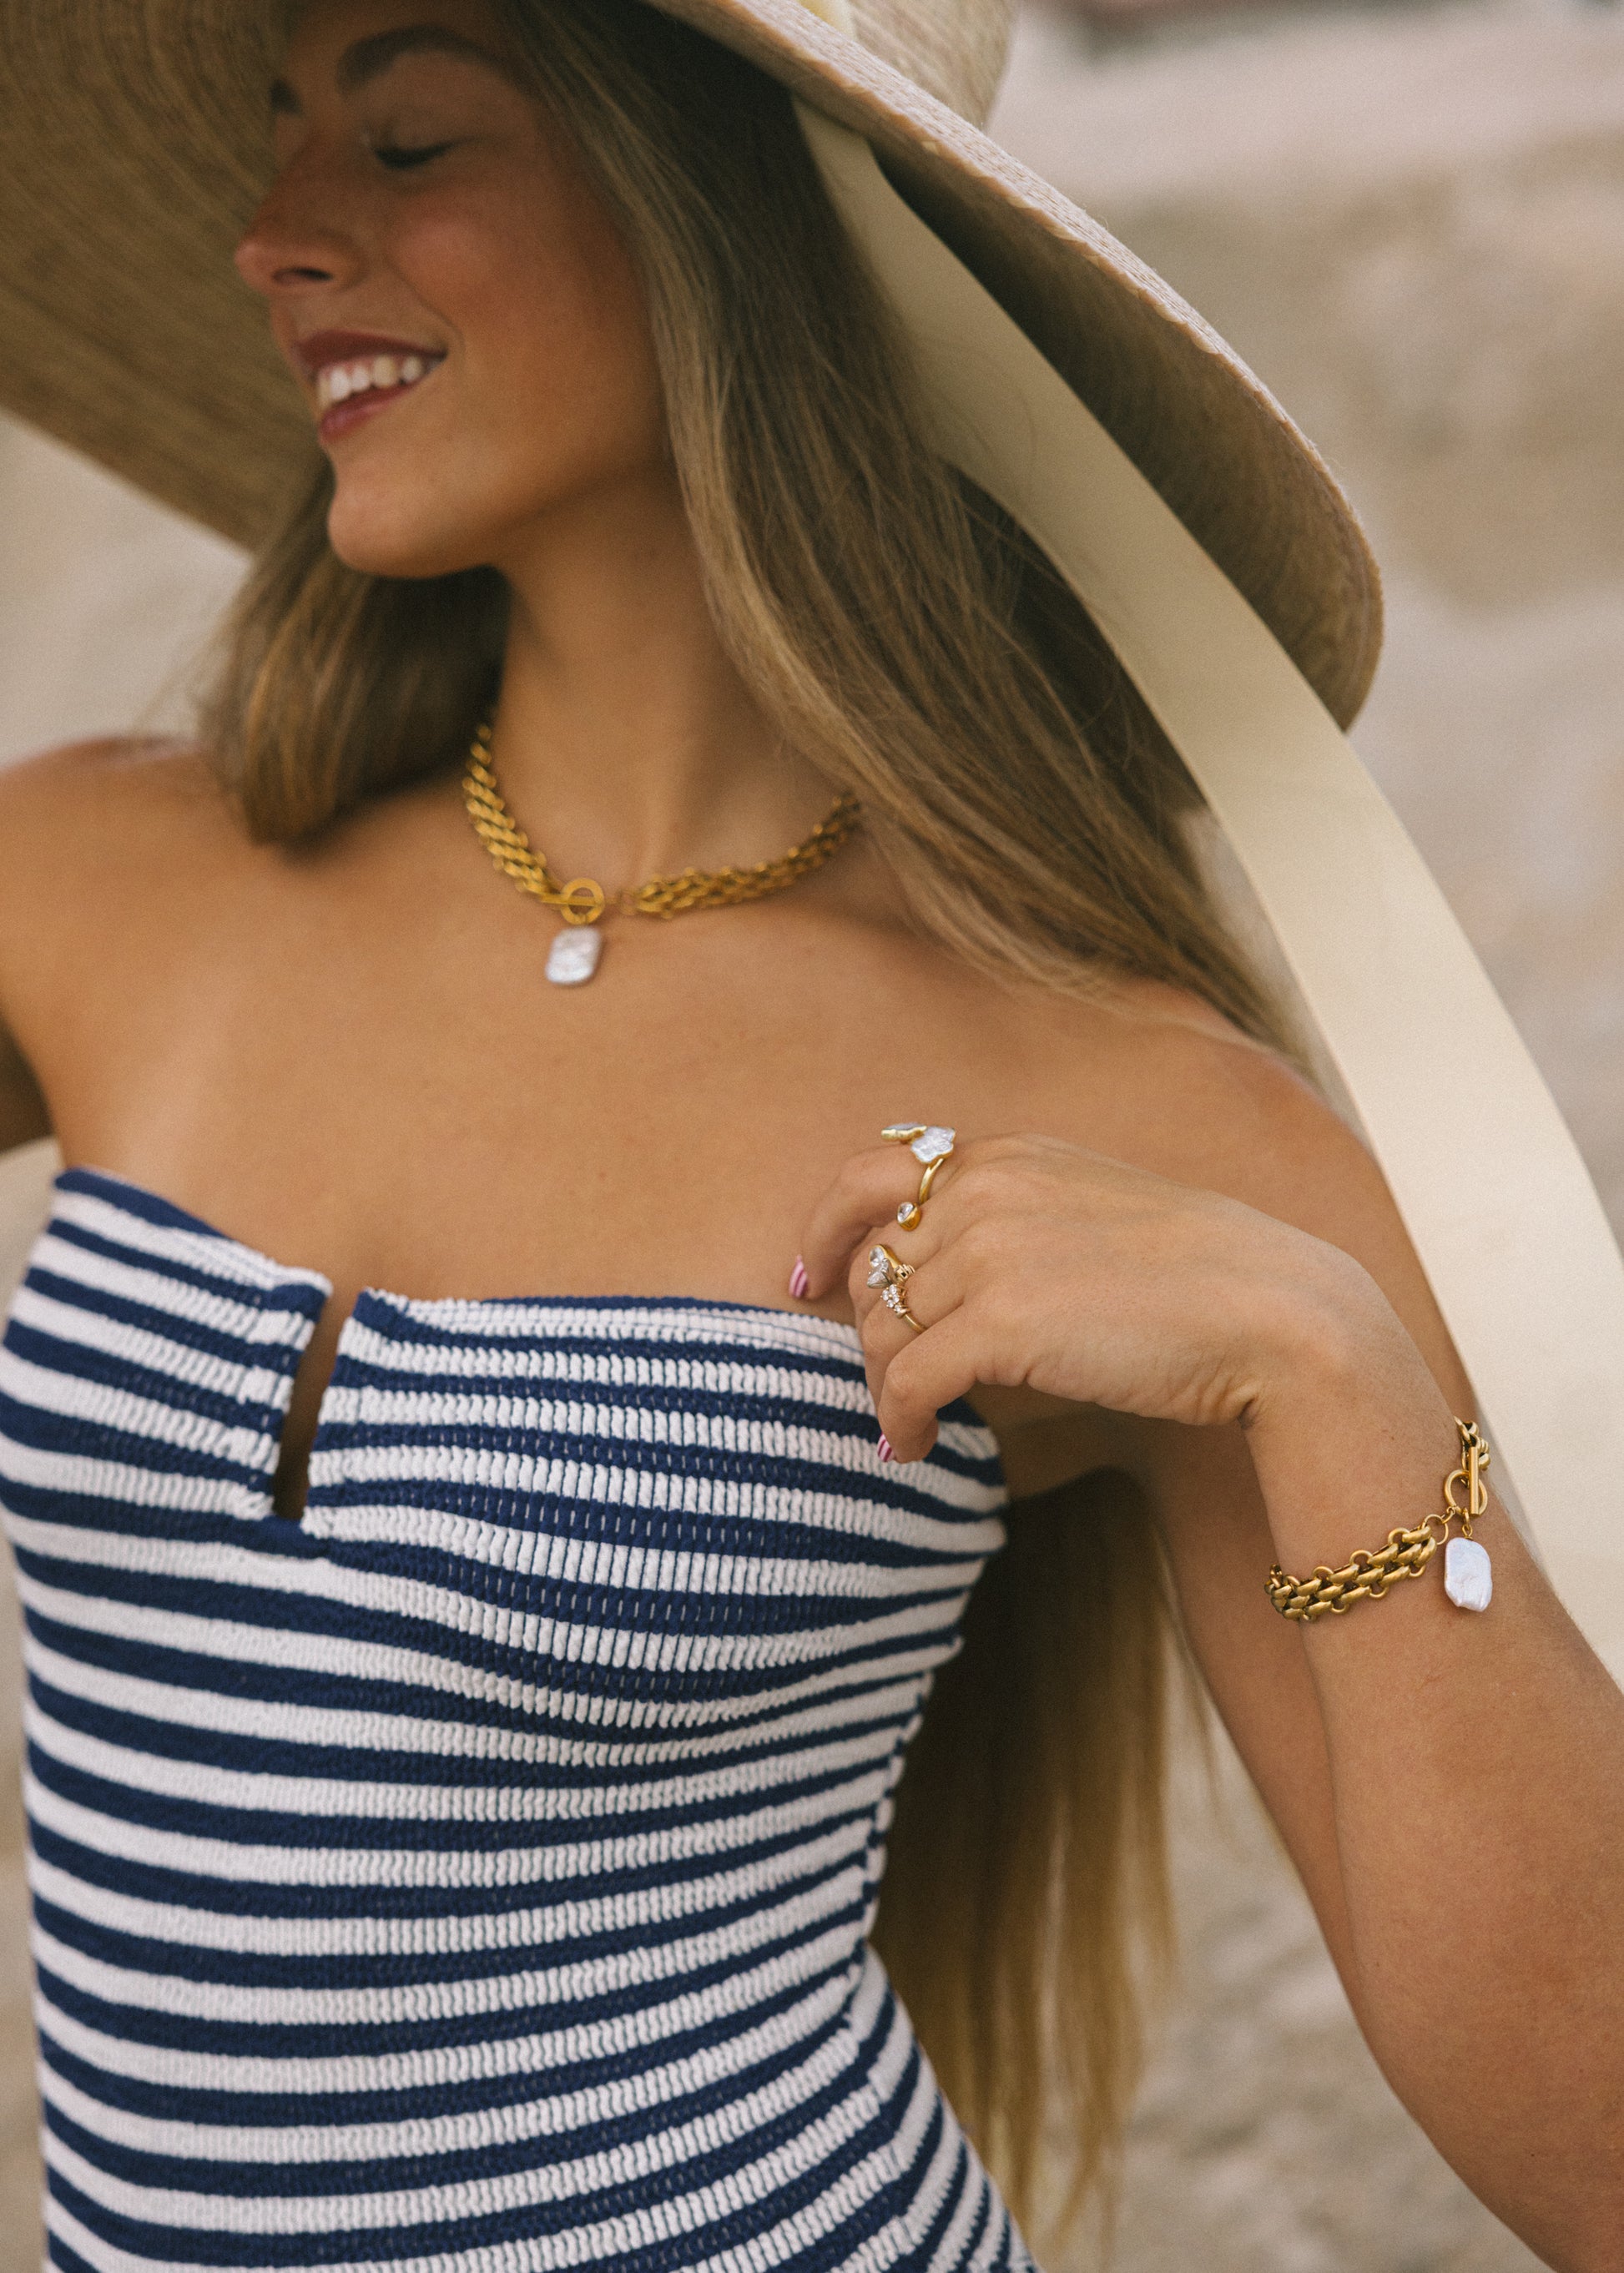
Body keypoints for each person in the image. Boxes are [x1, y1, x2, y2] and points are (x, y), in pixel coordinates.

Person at [0, 0, 1619, 2267]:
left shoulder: (1134, 1106)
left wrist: (1331, 1368)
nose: (276, 237)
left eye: (408, 135)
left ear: (730, 220)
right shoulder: (92, 879)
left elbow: (1592, 2147)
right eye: (284, 146)